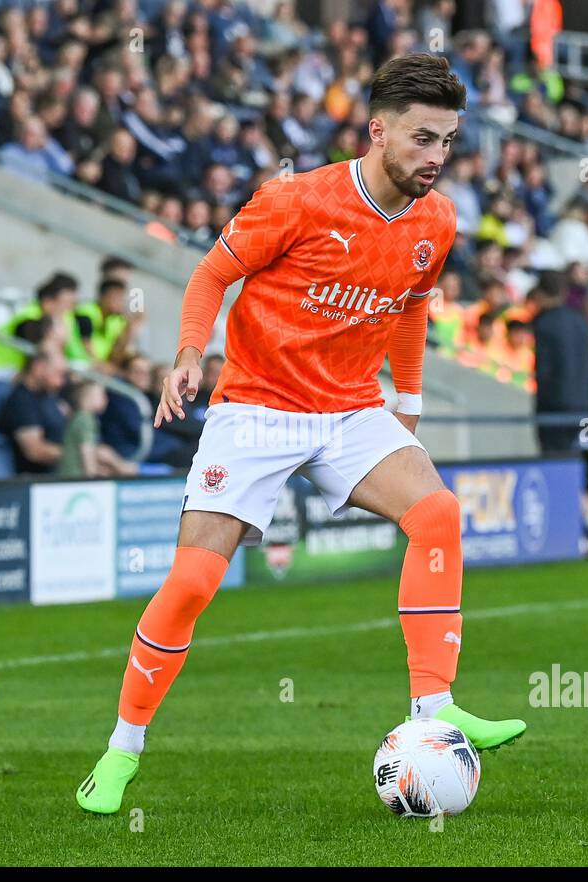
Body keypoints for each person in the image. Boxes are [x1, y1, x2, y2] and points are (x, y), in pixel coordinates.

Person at [76, 54, 527, 815]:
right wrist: (189, 352)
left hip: (350, 409)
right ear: (377, 130)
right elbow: (210, 274)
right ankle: (122, 751)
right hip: (255, 407)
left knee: (438, 515)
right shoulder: (296, 200)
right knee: (191, 584)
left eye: (447, 142)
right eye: (422, 139)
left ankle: (433, 710)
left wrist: (407, 399)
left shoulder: (437, 220)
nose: (436, 159)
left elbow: (414, 304)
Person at [530, 271, 588, 552]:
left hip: (556, 410)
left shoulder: (544, 324)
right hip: (584, 408)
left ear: (542, 294)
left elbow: (544, 372)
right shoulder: (580, 321)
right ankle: (586, 530)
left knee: (559, 468)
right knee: (576, 466)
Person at [0, 330, 70, 475]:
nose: (62, 381)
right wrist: (79, 455)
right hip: (37, 483)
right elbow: (35, 451)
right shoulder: (21, 401)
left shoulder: (50, 397)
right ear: (38, 367)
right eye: (58, 373)